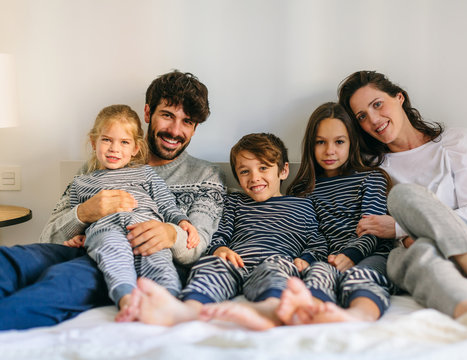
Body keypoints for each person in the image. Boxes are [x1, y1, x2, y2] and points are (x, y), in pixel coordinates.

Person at [0, 71, 225, 330]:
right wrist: (84, 214)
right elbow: (49, 235)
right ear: (148, 112)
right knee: (8, 260)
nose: (175, 130)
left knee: (62, 281)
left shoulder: (207, 176)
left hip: (140, 258)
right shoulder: (95, 167)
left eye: (187, 121)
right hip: (89, 244)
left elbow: (199, 245)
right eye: (167, 115)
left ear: (195, 129)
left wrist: (170, 233)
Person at [337, 70, 467, 319]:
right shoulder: (371, 168)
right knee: (409, 254)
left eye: (378, 104)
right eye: (362, 116)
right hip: (420, 256)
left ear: (399, 98)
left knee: (404, 196)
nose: (374, 120)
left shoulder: (455, 143)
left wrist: (400, 227)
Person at [116, 133, 328, 330]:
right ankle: (189, 309)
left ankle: (270, 309)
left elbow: (317, 242)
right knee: (210, 265)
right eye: (245, 171)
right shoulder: (235, 201)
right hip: (236, 263)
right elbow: (221, 232)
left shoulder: (302, 205)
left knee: (277, 269)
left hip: (276, 260)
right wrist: (220, 248)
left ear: (283, 171)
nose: (254, 177)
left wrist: (306, 258)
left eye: (263, 168)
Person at [67, 104, 199, 312]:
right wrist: (79, 237)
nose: (114, 148)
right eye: (107, 140)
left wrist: (182, 222)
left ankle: (168, 303)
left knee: (158, 259)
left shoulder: (146, 174)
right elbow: (77, 218)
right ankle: (126, 300)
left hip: (146, 227)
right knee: (113, 256)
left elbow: (167, 205)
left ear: (135, 148)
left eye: (124, 142)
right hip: (106, 230)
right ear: (94, 142)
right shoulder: (80, 183)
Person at [273, 102, 393, 324]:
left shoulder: (371, 179)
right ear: (311, 145)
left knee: (361, 276)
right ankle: (315, 315)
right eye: (320, 142)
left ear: (351, 143)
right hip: (327, 259)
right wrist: (307, 259)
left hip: (370, 255)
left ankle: (358, 317)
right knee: (318, 273)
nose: (329, 150)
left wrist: (351, 256)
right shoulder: (303, 191)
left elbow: (372, 228)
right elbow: (311, 236)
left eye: (339, 142)